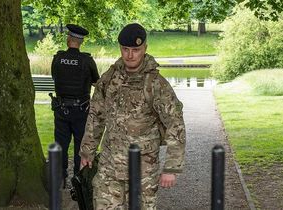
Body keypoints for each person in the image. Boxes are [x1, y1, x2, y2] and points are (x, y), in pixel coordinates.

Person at [80, 23, 186, 209]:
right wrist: (87, 151)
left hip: (143, 169)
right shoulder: (109, 78)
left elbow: (175, 124)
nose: (129, 55)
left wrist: (171, 167)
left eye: (135, 50)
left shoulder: (155, 84)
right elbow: (96, 115)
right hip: (109, 166)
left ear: (145, 48)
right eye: (125, 49)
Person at [51, 24, 100, 187]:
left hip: (61, 109)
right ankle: (79, 179)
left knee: (60, 144)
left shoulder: (57, 58)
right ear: (81, 42)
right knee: (80, 144)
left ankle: (60, 178)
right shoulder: (87, 60)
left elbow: (55, 76)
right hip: (81, 110)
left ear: (68, 40)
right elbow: (96, 81)